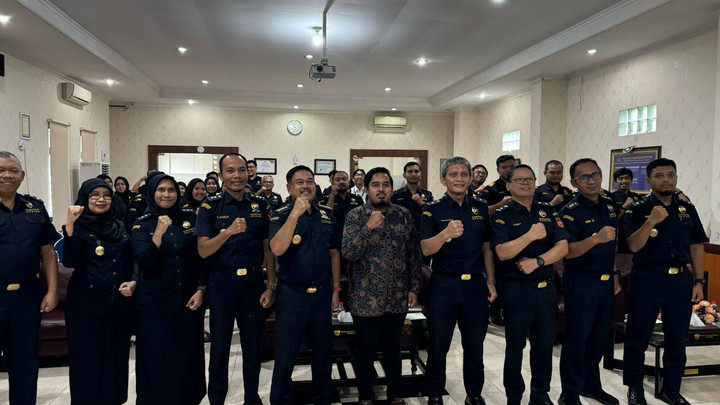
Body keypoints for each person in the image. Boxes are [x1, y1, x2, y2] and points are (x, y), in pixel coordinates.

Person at [622, 158, 707, 405]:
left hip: (679, 281)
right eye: (659, 176)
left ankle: (671, 389)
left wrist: (699, 281)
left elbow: (697, 247)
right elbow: (633, 246)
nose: (666, 180)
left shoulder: (687, 209)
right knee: (637, 338)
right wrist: (651, 221)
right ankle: (635, 389)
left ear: (676, 178)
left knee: (677, 339)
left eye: (671, 175)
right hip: (647, 278)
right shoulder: (637, 209)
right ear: (649, 180)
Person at [195, 153, 276, 405]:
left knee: (252, 346)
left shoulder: (260, 205)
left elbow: (268, 249)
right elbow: (203, 250)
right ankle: (217, 399)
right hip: (222, 283)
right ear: (221, 175)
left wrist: (271, 284)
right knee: (220, 347)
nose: (237, 176)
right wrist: (227, 233)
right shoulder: (210, 206)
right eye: (230, 171)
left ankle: (252, 398)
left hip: (252, 283)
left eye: (242, 170)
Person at [420, 156, 497, 405]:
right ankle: (435, 393)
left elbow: (486, 247)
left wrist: (491, 282)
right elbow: (425, 249)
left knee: (474, 345)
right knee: (438, 344)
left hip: (475, 285)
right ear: (443, 180)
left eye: (464, 174)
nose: (459, 179)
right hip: (444, 284)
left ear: (471, 178)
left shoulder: (481, 207)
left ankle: (474, 394)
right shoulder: (432, 209)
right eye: (453, 174)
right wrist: (445, 234)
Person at [342, 167, 422, 405]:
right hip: (365, 299)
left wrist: (414, 288)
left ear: (392, 189)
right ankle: (366, 397)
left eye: (385, 185)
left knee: (393, 349)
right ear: (366, 189)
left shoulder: (403, 215)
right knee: (365, 351)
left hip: (397, 297)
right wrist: (368, 228)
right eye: (375, 185)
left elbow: (413, 254)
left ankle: (395, 395)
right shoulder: (355, 216)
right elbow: (349, 253)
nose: (381, 189)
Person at [491, 164, 569, 405]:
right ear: (508, 185)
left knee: (544, 345)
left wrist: (538, 262)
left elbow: (563, 247)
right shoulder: (502, 215)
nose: (526, 183)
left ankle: (540, 394)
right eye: (519, 179)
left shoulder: (548, 211)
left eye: (530, 179)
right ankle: (514, 396)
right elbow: (502, 252)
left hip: (545, 288)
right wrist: (530, 236)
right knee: (515, 346)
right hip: (516, 290)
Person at [132, 173, 207, 405]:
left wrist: (201, 289)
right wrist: (158, 233)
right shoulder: (141, 223)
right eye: (161, 190)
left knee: (187, 358)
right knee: (156, 359)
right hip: (154, 305)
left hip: (188, 302)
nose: (166, 194)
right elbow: (145, 261)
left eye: (171, 190)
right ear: (152, 193)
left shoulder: (190, 218)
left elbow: (201, 258)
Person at [269, 165, 341, 405]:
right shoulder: (280, 214)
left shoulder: (327, 214)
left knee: (322, 354)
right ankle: (280, 400)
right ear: (289, 188)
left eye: (309, 181)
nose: (305, 186)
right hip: (292, 295)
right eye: (299, 182)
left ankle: (323, 399)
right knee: (286, 354)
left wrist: (336, 289)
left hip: (321, 295)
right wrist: (295, 214)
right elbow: (277, 249)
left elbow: (334, 253)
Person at [62, 178, 136, 405]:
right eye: (94, 195)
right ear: (84, 198)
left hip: (117, 304)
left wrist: (133, 281)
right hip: (86, 305)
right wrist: (69, 226)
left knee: (116, 361)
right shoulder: (77, 226)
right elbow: (71, 261)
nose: (101, 199)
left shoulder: (119, 225)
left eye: (106, 194)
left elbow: (131, 259)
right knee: (87, 362)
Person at [558, 159, 620, 405]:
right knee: (577, 339)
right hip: (581, 282)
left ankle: (591, 386)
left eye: (595, 175)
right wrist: (595, 239)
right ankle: (569, 393)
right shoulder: (569, 211)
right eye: (584, 177)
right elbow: (568, 251)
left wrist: (615, 275)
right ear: (574, 182)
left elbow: (613, 247)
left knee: (599, 338)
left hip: (605, 281)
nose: (591, 181)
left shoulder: (609, 206)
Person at [0, 151, 59, 405]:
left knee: (24, 365)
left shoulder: (35, 207)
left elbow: (48, 253)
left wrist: (52, 291)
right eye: (1, 170)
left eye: (13, 170)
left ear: (22, 176)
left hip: (26, 297)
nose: (7, 175)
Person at [481, 154, 516, 326]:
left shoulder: (520, 185)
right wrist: (501, 204)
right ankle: (495, 313)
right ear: (498, 169)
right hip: (497, 237)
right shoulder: (491, 189)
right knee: (496, 276)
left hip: (517, 237)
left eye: (511, 166)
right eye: (505, 167)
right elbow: (484, 211)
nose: (508, 170)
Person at [390, 161, 433, 233]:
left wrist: (422, 203)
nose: (413, 174)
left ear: (420, 174)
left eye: (416, 171)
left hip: (422, 232)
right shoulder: (396, 195)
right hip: (402, 234)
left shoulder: (428, 195)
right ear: (404, 175)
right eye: (410, 172)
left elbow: (432, 215)